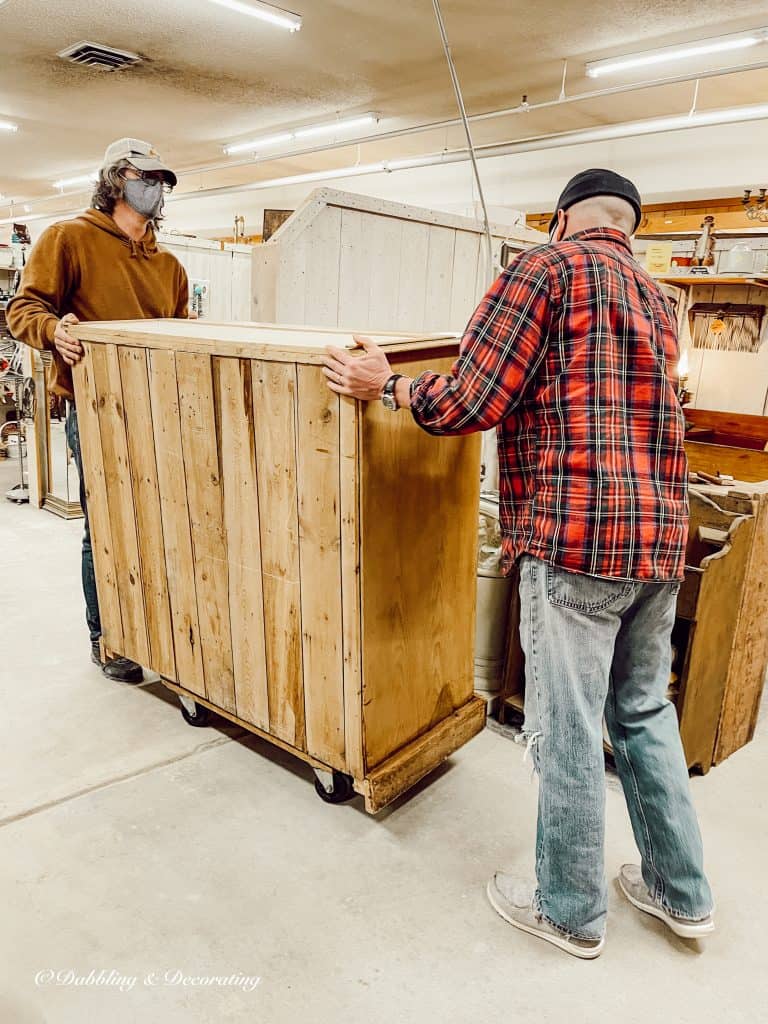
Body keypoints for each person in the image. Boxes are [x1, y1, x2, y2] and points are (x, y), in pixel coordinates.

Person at [322, 168, 714, 959]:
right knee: (642, 714)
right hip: (659, 545)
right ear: (629, 226)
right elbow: (645, 420)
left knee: (567, 727)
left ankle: (567, 909)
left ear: (562, 217)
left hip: (575, 545)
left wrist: (386, 383)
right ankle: (683, 893)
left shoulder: (541, 267)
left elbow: (472, 398)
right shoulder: (659, 298)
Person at [8, 138, 188, 683]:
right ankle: (108, 638)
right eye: (145, 177)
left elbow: (179, 333)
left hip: (159, 413)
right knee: (107, 526)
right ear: (116, 179)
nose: (155, 188)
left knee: (160, 525)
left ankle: (158, 630)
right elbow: (23, 308)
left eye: (162, 181)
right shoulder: (70, 238)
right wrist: (53, 331)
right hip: (97, 411)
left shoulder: (171, 265)